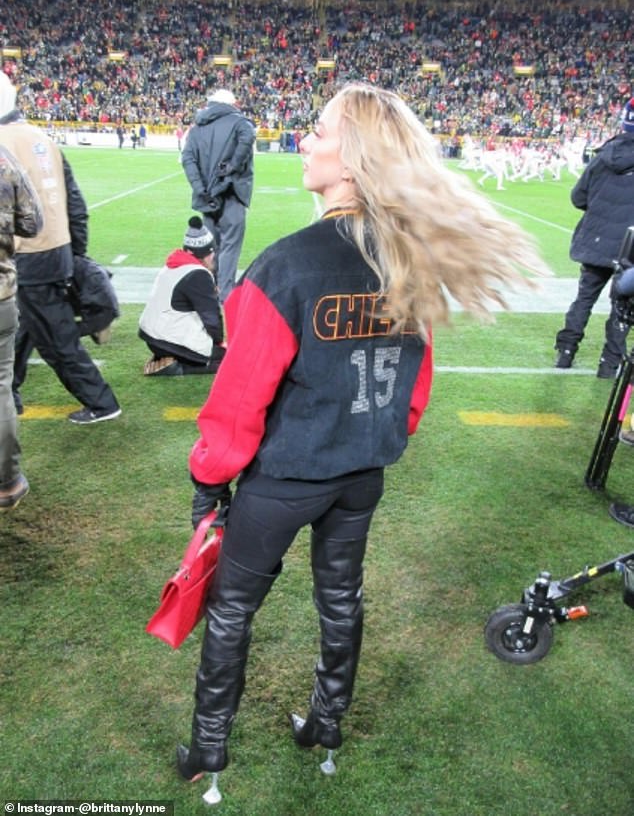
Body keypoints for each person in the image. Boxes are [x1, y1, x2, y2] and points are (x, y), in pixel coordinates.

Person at [174, 82, 548, 800]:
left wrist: (209, 480)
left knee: (231, 610)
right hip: (361, 475)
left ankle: (208, 750)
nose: (304, 140)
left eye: (318, 131)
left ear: (352, 160)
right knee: (340, 600)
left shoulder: (284, 265)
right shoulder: (409, 257)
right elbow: (415, 392)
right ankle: (325, 724)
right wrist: (371, 437)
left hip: (284, 480)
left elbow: (238, 399)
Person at [0, 72, 121, 425]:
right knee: (24, 327)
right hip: (56, 251)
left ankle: (101, 401)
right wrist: (75, 255)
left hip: (26, 255)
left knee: (54, 338)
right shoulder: (43, 138)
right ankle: (12, 393)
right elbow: (76, 204)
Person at [554, 97, 634, 379]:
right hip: (629, 248)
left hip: (596, 241)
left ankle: (565, 353)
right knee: (621, 307)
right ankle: (608, 365)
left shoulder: (604, 155)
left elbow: (578, 197)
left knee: (583, 299)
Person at [181, 89, 256, 304]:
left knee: (209, 248)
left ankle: (206, 292)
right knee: (230, 246)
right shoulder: (239, 122)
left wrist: (200, 187)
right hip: (232, 194)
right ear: (232, 103)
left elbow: (187, 159)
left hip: (207, 198)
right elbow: (248, 136)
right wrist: (233, 166)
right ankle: (225, 295)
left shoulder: (197, 127)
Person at [0, 145, 43, 511]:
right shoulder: (3, 159)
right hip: (0, 292)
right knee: (0, 387)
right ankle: (6, 483)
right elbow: (32, 222)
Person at [139, 216, 225, 376]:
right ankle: (177, 368)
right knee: (227, 357)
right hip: (167, 338)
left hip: (151, 336)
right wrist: (219, 343)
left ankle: (165, 359)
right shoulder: (198, 274)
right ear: (207, 252)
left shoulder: (174, 265)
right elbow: (211, 317)